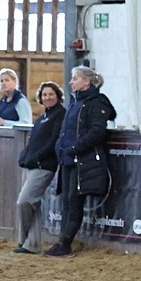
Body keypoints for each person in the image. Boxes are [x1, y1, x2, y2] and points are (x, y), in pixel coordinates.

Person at [48, 66, 116, 258]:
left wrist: (75, 147)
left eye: (75, 78)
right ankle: (62, 241)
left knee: (74, 201)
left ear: (86, 82)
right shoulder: (75, 102)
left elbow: (97, 132)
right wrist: (61, 147)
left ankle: (65, 243)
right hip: (69, 158)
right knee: (67, 202)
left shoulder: (96, 103)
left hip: (83, 159)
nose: (71, 82)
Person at [13, 82, 66, 254]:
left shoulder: (60, 114)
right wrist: (25, 156)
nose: (47, 97)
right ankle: (31, 244)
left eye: (51, 94)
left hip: (44, 165)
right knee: (33, 204)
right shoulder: (42, 117)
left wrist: (37, 157)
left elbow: (54, 141)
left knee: (25, 200)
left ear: (58, 96)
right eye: (44, 95)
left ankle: (23, 240)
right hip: (31, 163)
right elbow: (33, 141)